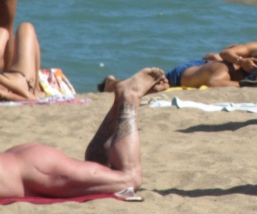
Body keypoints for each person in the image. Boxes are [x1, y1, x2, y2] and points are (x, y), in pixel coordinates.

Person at [0, 68, 168, 199]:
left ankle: (130, 97)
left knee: (130, 179)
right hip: (24, 162)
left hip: (34, 172)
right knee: (102, 170)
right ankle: (119, 103)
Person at [99, 41, 257, 91]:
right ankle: (112, 84)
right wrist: (242, 64)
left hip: (206, 67)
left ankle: (116, 83)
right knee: (147, 86)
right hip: (184, 73)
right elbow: (216, 81)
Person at [0, 22, 44, 102]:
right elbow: (29, 98)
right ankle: (36, 89)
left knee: (3, 32)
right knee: (26, 28)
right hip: (24, 81)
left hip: (9, 76)